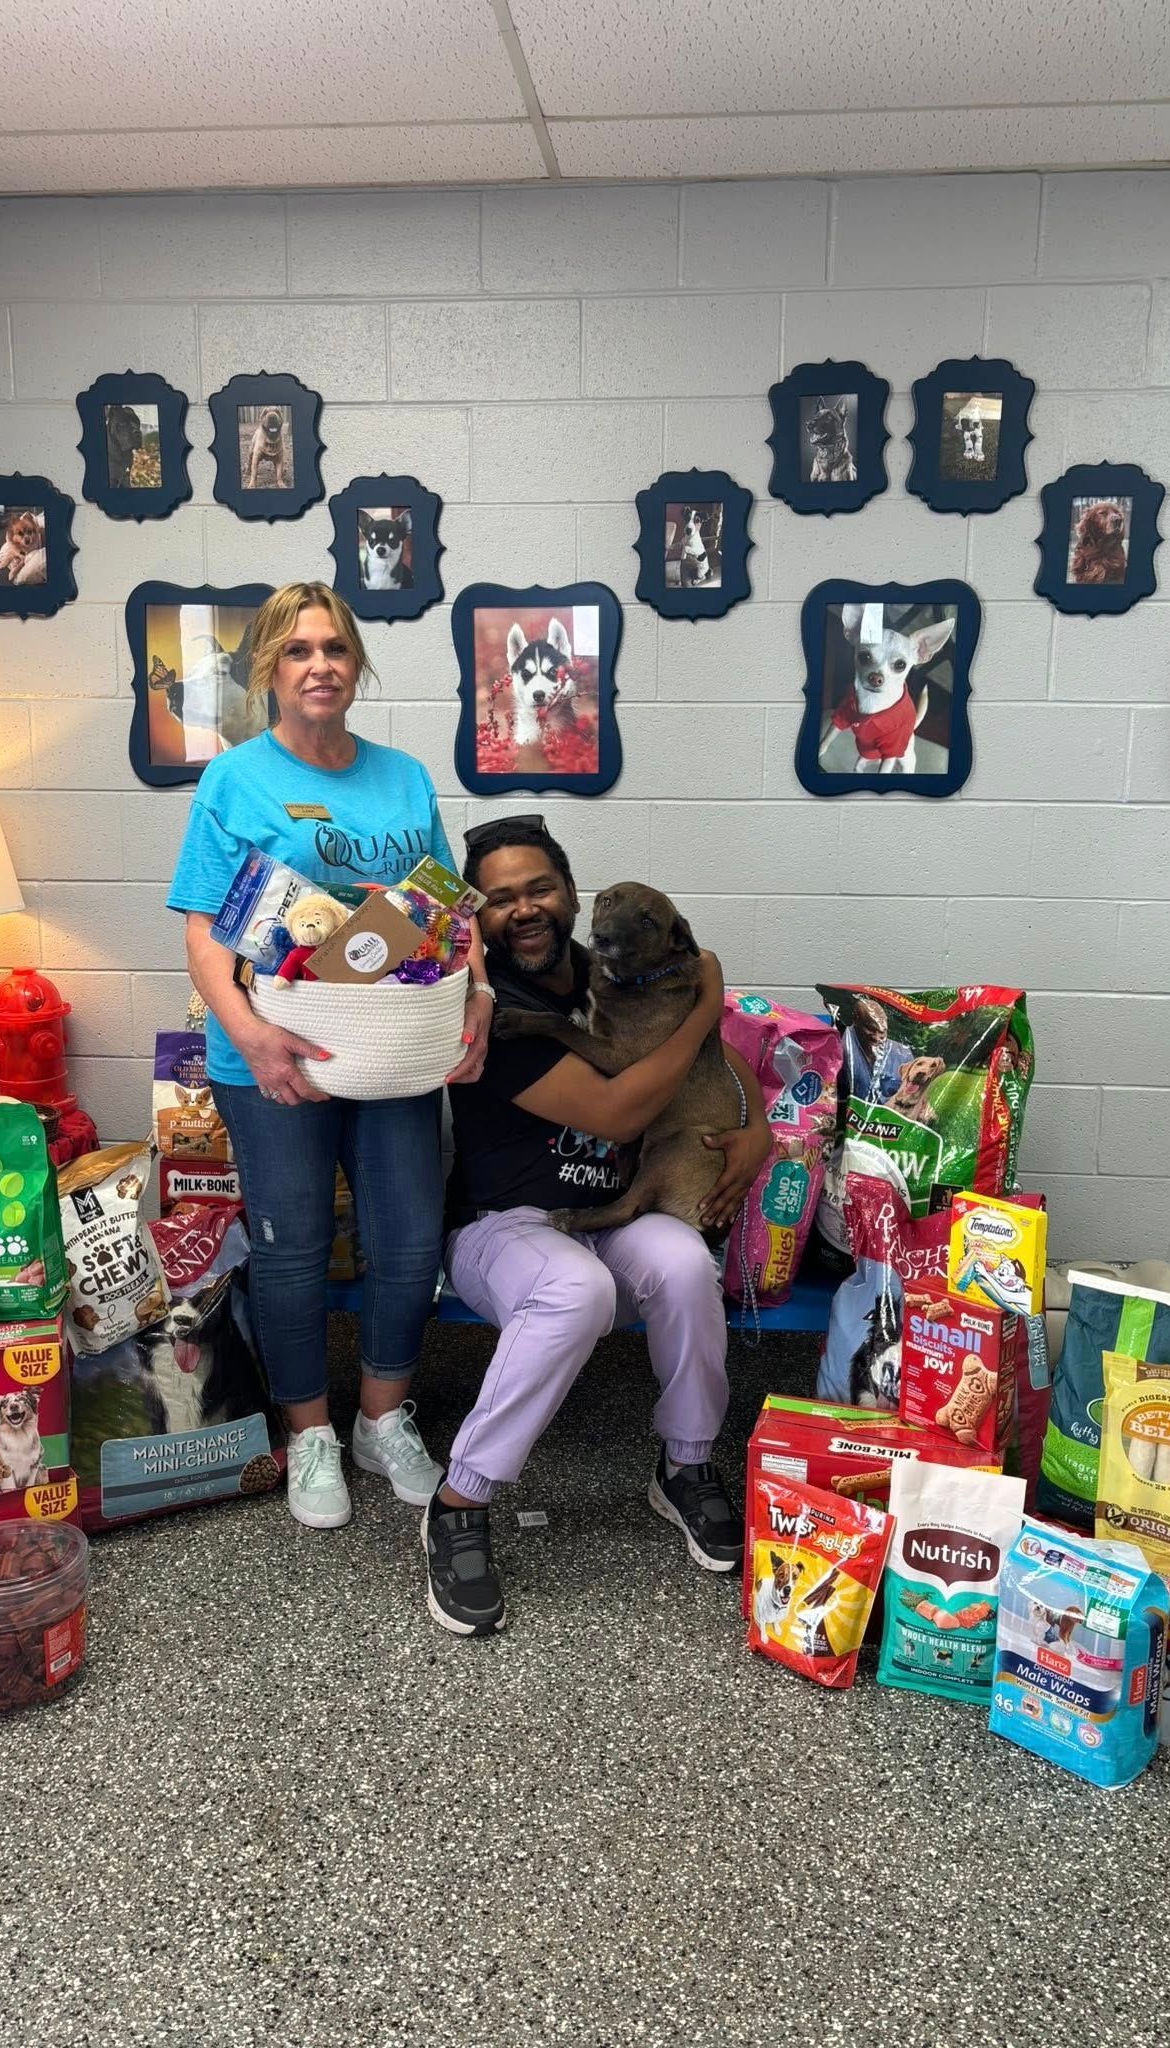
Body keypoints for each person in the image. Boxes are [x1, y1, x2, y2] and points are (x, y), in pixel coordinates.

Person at [167, 581, 492, 1534]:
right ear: (270, 667)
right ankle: (308, 1429)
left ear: (358, 666)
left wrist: (475, 998)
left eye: (335, 650)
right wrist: (252, 1035)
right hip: (276, 1062)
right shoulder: (236, 780)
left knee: (406, 1244)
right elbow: (203, 934)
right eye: (299, 650)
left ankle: (381, 1420)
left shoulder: (402, 777)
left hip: (392, 1053)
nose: (320, 666)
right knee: (291, 1247)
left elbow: (447, 912)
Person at [422, 817, 773, 1636]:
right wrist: (707, 1000)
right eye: (501, 899)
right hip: (502, 1225)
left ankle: (685, 1465)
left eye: (540, 888)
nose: (526, 910)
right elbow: (619, 1112)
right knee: (574, 1288)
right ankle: (458, 1500)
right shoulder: (486, 1003)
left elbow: (719, 1059)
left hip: (615, 1214)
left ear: (573, 894)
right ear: (477, 915)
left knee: (685, 1263)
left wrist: (755, 1127)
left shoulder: (614, 966)